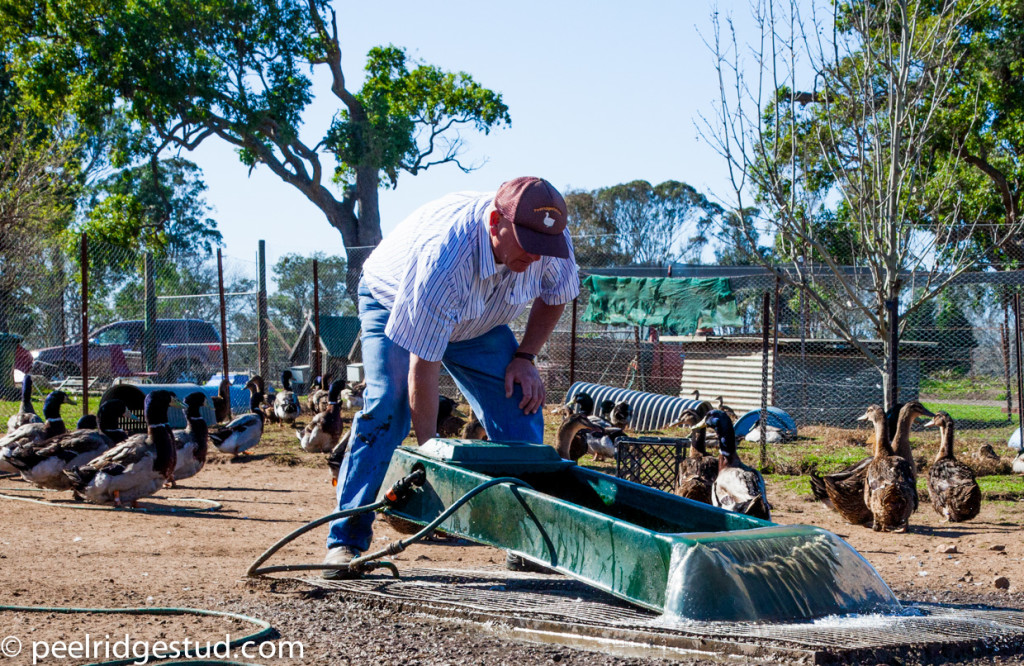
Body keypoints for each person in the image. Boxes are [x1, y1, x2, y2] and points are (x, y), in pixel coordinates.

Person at [324, 176, 580, 578]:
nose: (535, 255)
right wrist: (431, 458)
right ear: (496, 221)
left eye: (543, 246)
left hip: (477, 322)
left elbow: (558, 294)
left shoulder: (550, 242)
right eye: (527, 242)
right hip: (394, 301)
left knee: (520, 408)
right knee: (389, 407)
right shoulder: (445, 258)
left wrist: (525, 357)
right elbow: (423, 367)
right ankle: (345, 541)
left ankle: (524, 543)